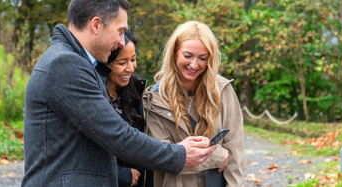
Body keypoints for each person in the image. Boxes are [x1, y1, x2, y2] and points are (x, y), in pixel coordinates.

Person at [22, 1, 216, 186]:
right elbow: (118, 136)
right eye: (120, 31)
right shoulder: (65, 65)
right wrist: (179, 154)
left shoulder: (79, 63)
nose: (122, 42)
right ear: (96, 25)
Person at [142, 21, 244, 187]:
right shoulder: (155, 98)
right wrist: (217, 156)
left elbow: (235, 152)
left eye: (202, 58)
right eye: (187, 56)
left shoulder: (223, 90)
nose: (194, 65)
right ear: (175, 53)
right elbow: (162, 157)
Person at [102, 30, 153, 187]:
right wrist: (121, 175)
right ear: (105, 63)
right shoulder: (93, 96)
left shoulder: (137, 91)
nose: (130, 68)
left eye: (133, 59)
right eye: (121, 63)